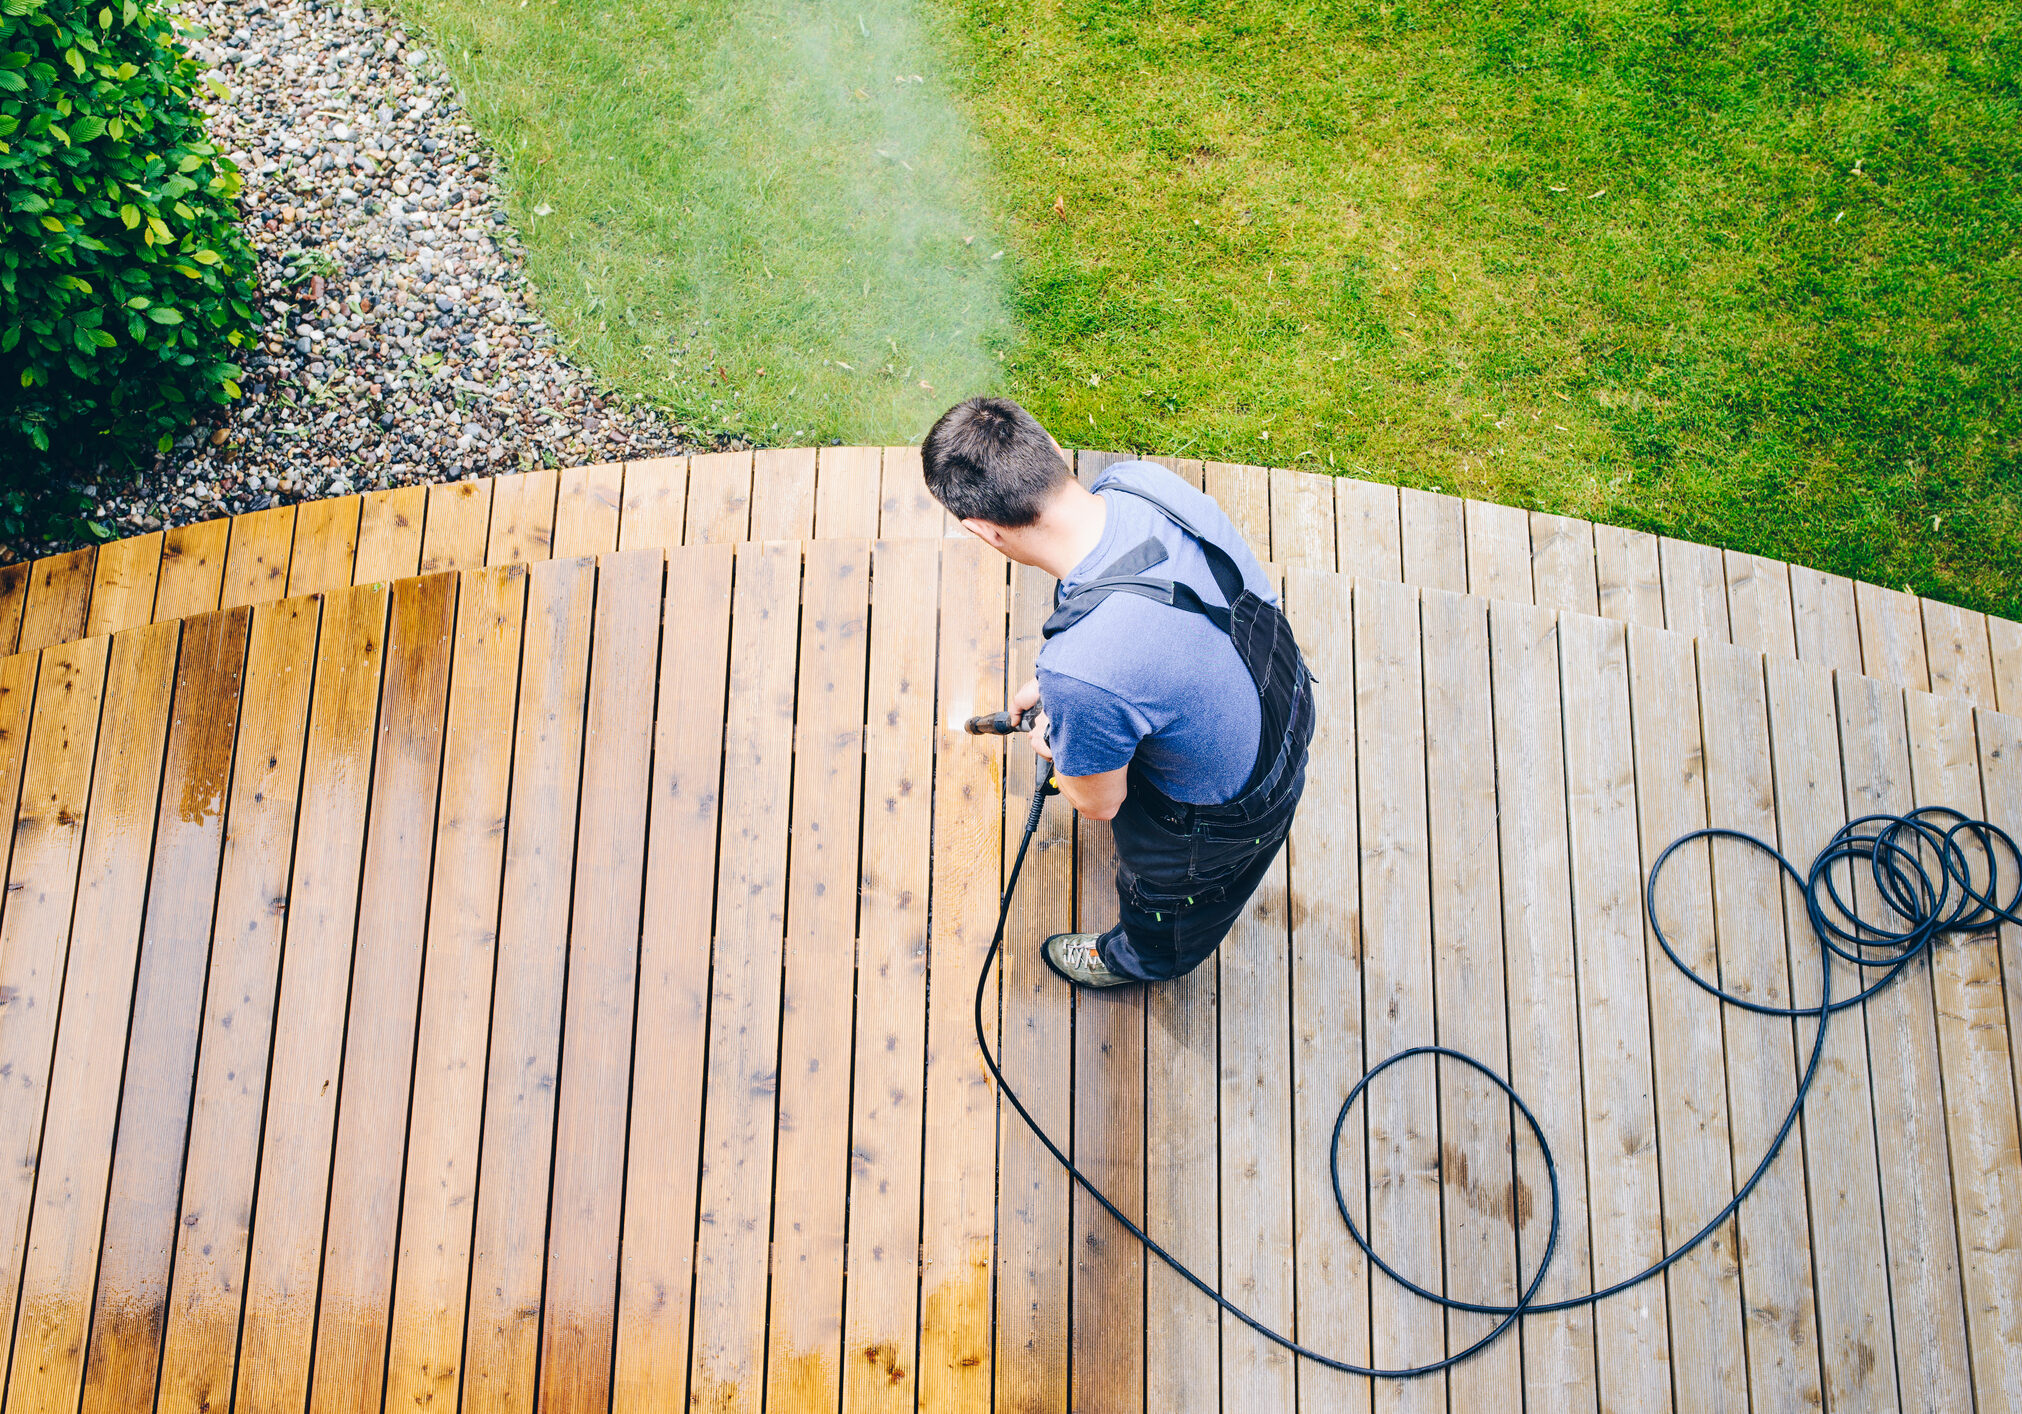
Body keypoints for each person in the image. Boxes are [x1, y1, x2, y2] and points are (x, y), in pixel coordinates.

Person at [921, 396, 1314, 987]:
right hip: (1281, 697)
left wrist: (1063, 732)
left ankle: (1141, 959)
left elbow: (1098, 803)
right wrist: (1074, 684)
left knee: (1172, 904)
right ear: (1052, 446)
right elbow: (1146, 616)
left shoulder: (1083, 671)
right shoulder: (1140, 484)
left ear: (982, 531)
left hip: (1229, 816)